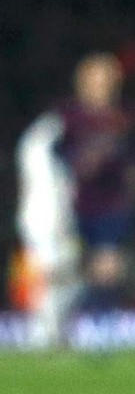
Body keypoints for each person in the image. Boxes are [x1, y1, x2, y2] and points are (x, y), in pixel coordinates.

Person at [58, 51, 135, 308]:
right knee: (70, 272)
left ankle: (103, 318)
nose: (101, 88)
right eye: (95, 81)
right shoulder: (67, 119)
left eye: (107, 82)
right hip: (70, 208)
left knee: (107, 268)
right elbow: (56, 161)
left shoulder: (125, 118)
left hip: (111, 206)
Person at [13, 98, 80, 349]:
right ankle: (43, 334)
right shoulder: (38, 145)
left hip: (57, 222)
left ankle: (57, 331)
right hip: (42, 222)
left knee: (67, 276)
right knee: (48, 276)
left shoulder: (55, 159)